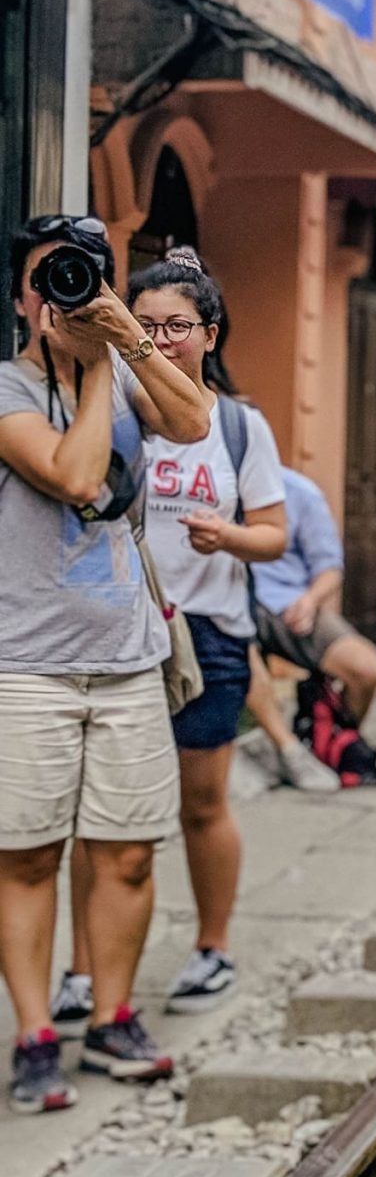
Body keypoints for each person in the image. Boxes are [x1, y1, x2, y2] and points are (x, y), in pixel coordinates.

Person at [0, 214, 208, 1110]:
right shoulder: (6, 388)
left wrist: (122, 337)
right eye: (52, 277)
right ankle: (36, 1034)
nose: (67, 293)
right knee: (29, 858)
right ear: (22, 298)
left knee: (125, 854)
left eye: (83, 276)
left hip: (126, 656)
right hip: (28, 662)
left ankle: (114, 1017)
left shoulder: (124, 364)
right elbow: (78, 476)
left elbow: (195, 422)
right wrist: (89, 370)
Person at [124, 248, 286, 1014]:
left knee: (201, 801)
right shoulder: (117, 409)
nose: (161, 340)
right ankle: (91, 972)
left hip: (211, 633)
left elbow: (275, 535)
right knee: (112, 811)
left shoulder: (241, 428)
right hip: (123, 629)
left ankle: (211, 947)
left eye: (177, 326)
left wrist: (228, 536)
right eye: (145, 325)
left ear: (210, 334)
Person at [246, 464, 376, 791]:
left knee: (367, 668)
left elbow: (329, 568)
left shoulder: (300, 492)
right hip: (230, 601)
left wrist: (310, 601)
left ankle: (334, 740)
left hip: (287, 600)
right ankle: (290, 751)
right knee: (237, 644)